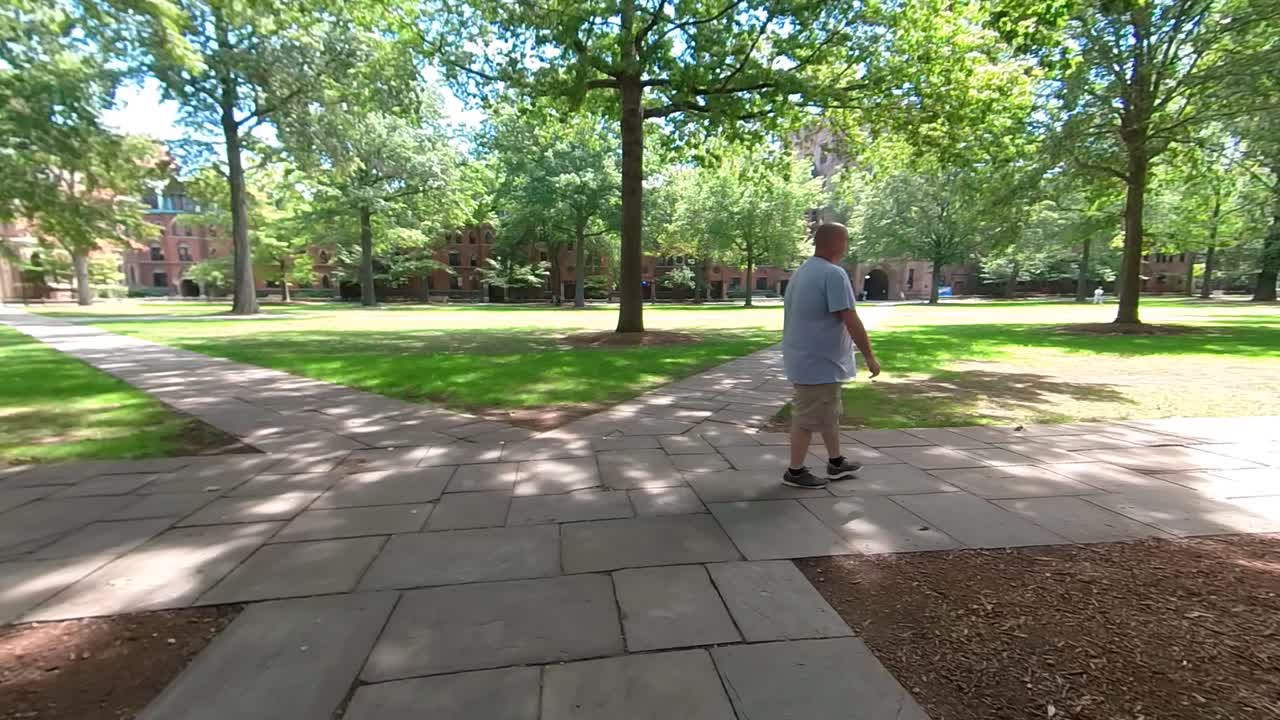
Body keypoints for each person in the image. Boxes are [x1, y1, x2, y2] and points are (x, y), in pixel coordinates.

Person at [781, 223, 881, 488]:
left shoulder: (803, 271)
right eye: (845, 240)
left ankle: (836, 462)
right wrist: (869, 356)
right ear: (836, 242)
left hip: (807, 358)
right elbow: (849, 317)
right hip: (818, 362)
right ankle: (795, 471)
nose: (847, 245)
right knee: (807, 418)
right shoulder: (833, 274)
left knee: (828, 413)